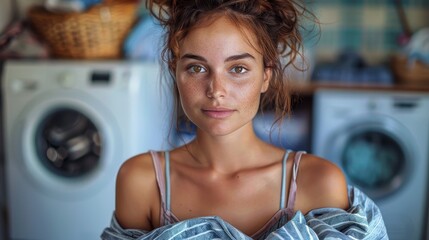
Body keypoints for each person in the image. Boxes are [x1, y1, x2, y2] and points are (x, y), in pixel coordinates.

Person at [101, 1, 387, 239]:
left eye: (237, 68)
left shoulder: (319, 183)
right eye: (197, 67)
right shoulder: (142, 181)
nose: (216, 90)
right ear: (176, 72)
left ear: (266, 76)